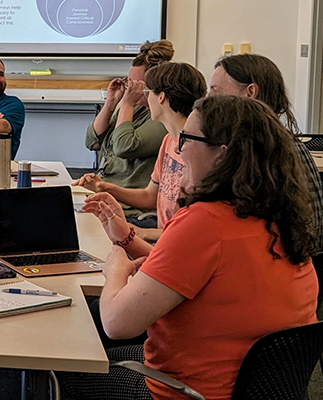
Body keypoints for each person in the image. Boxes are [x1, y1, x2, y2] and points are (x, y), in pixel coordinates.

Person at [58, 96, 319, 399]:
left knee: (65, 357)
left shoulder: (204, 224)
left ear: (221, 155)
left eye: (187, 138)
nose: (178, 148)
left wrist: (114, 269)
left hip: (182, 392)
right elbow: (191, 275)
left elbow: (116, 322)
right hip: (250, 387)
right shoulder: (279, 220)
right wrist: (127, 239)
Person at [207, 53, 323, 271]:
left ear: (250, 92)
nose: (208, 101)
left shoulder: (261, 151)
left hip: (288, 269)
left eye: (216, 92)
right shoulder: (279, 140)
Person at [74, 62, 205, 243]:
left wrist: (140, 232)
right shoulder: (168, 141)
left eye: (147, 92)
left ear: (161, 98)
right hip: (165, 240)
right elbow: (150, 196)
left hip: (176, 243)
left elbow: (193, 231)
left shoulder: (198, 153)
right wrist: (105, 187)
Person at [81, 40, 174, 228]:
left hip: (133, 210)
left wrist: (127, 103)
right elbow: (92, 142)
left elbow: (124, 146)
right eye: (128, 81)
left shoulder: (163, 117)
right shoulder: (130, 108)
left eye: (136, 84)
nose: (130, 87)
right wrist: (111, 103)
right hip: (107, 198)